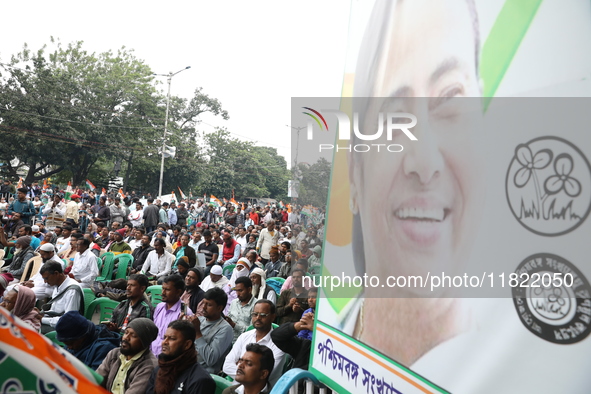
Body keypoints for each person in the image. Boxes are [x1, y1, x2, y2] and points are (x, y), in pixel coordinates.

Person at [223, 300, 285, 386]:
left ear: (272, 317)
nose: (258, 318)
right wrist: (251, 372)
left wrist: (239, 367)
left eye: (263, 315)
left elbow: (268, 375)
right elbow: (226, 366)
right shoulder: (244, 336)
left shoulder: (279, 343)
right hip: (237, 388)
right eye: (255, 314)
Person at [146, 320, 216, 394]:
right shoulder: (159, 370)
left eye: (172, 338)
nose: (164, 342)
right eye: (164, 337)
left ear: (187, 345)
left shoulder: (200, 380)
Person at [96, 318, 159, 394]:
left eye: (133, 335)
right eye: (126, 332)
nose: (126, 337)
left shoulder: (149, 365)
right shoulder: (114, 353)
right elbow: (96, 380)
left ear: (144, 342)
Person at [186, 287, 233, 373]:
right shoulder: (200, 320)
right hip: (188, 367)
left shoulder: (225, 329)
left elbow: (210, 359)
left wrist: (197, 332)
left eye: (209, 305)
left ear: (219, 308)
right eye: (203, 303)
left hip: (205, 374)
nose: (203, 307)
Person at [55, 310, 121, 369]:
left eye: (71, 344)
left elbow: (94, 379)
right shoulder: (74, 342)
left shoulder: (104, 348)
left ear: (82, 336)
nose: (69, 347)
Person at [39, 261, 84, 333]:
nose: (45, 282)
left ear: (56, 274)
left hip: (67, 329)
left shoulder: (72, 291)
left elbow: (69, 320)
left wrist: (42, 319)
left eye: (46, 278)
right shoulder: (57, 285)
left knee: (32, 330)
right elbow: (55, 311)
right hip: (56, 321)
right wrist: (41, 314)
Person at [151, 274, 189, 356]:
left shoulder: (184, 313)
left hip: (167, 358)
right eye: (163, 289)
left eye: (167, 290)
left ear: (178, 292)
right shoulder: (159, 306)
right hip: (151, 355)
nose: (163, 293)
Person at [225, 276, 257, 343]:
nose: (237, 294)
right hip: (228, 337)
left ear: (249, 289)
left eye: (240, 290)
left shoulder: (256, 306)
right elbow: (229, 319)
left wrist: (234, 325)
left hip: (245, 341)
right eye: (236, 290)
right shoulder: (234, 302)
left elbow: (252, 330)